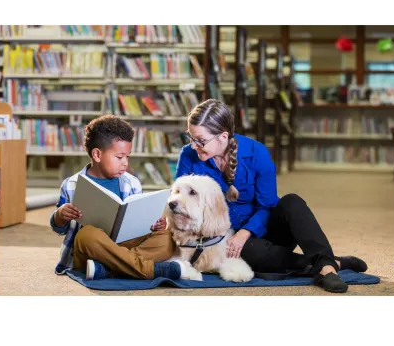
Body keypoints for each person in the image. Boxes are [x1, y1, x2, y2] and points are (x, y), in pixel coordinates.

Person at [163, 99, 368, 293]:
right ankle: (330, 264)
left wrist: (244, 233)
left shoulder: (257, 152)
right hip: (223, 238)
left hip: (264, 229)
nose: (194, 146)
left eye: (200, 140)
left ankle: (326, 266)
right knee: (250, 254)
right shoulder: (188, 155)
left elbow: (267, 206)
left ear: (222, 137)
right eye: (191, 138)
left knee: (292, 202)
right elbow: (182, 202)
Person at [50, 115, 187, 281]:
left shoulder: (132, 183)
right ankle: (148, 269)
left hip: (123, 245)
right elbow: (59, 228)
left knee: (167, 238)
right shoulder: (71, 184)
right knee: (87, 235)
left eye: (127, 157)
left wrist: (157, 224)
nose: (125, 163)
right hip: (92, 249)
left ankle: (107, 270)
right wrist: (60, 215)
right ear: (97, 155)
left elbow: (139, 224)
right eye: (119, 157)